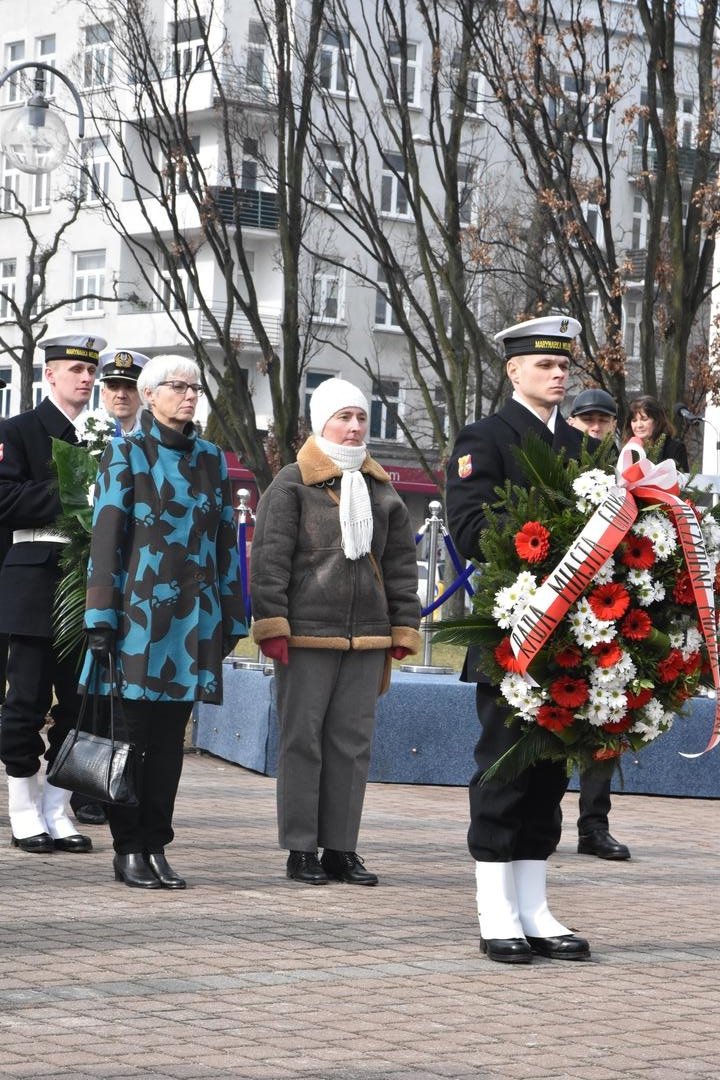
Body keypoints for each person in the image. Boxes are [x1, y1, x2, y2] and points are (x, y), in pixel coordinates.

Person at [446, 314, 591, 964]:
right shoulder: (487, 437)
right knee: (504, 771)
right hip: (513, 632)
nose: (557, 374)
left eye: (564, 366)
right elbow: (472, 528)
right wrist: (557, 531)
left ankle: (534, 906)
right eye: (544, 365)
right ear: (513, 371)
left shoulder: (580, 448)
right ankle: (496, 908)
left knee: (548, 776)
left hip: (571, 638)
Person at [80, 354, 247, 889]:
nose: (189, 395)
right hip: (135, 621)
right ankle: (127, 846)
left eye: (195, 387)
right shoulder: (125, 452)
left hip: (192, 622)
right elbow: (106, 537)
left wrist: (232, 616)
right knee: (130, 741)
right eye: (177, 387)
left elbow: (226, 541)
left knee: (171, 744)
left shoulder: (211, 458)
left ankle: (156, 842)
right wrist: (100, 615)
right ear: (150, 395)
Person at [250, 377, 421, 887]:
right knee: (302, 741)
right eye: (343, 417)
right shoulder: (291, 482)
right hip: (305, 637)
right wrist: (272, 624)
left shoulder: (382, 488)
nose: (353, 427)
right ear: (321, 422)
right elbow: (269, 560)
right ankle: (301, 848)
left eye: (360, 417)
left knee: (352, 743)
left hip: (367, 638)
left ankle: (341, 847)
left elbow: (401, 567)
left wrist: (402, 626)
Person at [0, 334, 106, 854]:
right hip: (36, 583)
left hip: (92, 583)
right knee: (25, 703)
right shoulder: (17, 430)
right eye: (73, 370)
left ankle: (58, 807)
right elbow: (4, 499)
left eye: (90, 372)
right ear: (50, 376)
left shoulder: (107, 436)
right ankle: (22, 804)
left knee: (81, 705)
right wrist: (72, 488)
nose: (85, 379)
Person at [69, 348, 150, 828]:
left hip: (133, 582)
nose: (121, 395)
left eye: (130, 387)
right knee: (87, 684)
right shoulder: (84, 436)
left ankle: (114, 780)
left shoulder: (151, 443)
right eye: (113, 386)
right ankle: (85, 783)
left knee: (122, 685)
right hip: (81, 572)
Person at [566, 388, 631, 861]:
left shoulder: (626, 474)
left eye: (603, 420)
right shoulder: (552, 465)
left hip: (612, 608)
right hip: (562, 608)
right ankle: (540, 819)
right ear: (571, 421)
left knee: (607, 715)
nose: (594, 426)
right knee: (550, 716)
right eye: (586, 418)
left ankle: (594, 825)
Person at [624, 394, 689, 470]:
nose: (639, 425)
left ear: (657, 421)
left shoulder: (675, 448)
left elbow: (681, 479)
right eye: (634, 420)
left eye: (644, 419)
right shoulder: (628, 450)